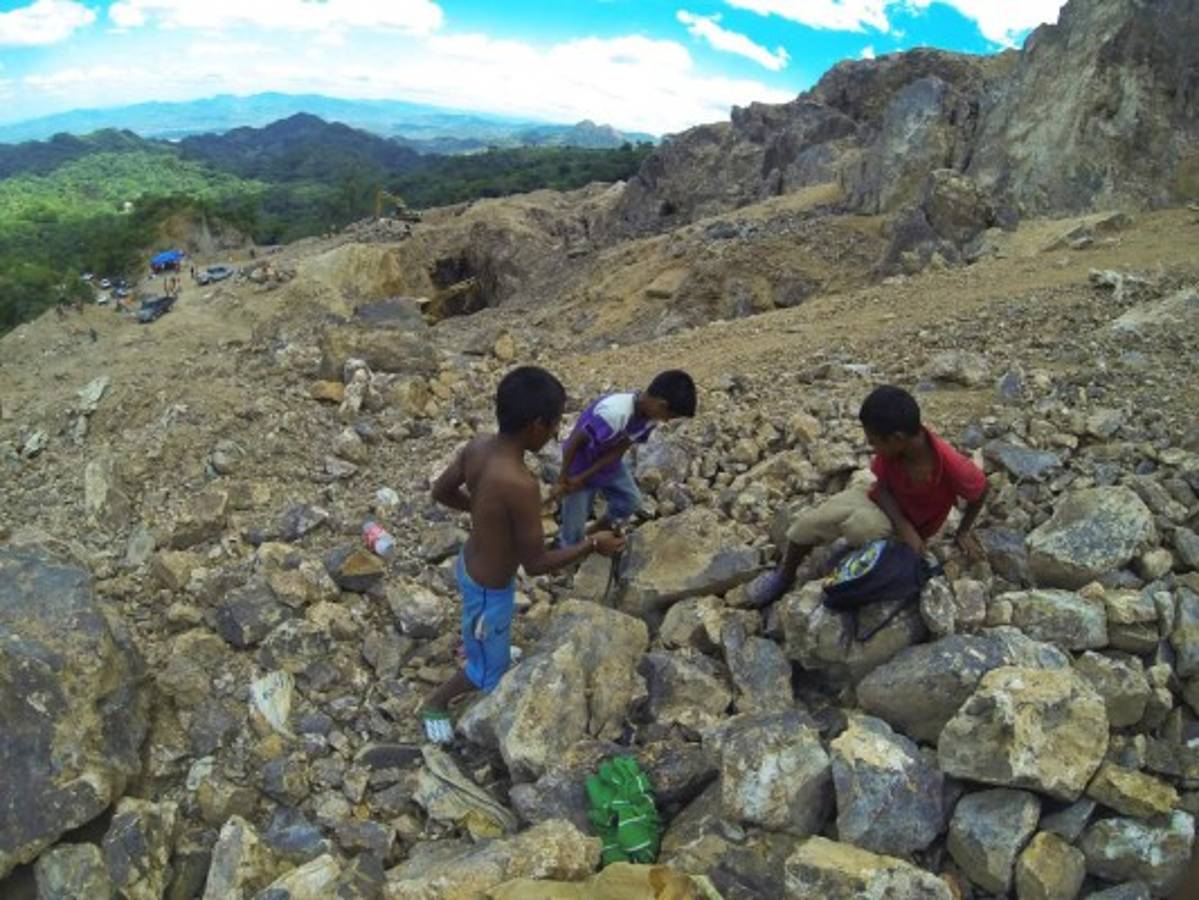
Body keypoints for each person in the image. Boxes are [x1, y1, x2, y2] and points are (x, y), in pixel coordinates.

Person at [419, 366, 625, 743]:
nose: (554, 434)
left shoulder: (478, 446)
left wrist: (483, 510)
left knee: (487, 634)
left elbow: (442, 492)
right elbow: (536, 564)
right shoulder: (520, 484)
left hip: (471, 565)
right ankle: (436, 703)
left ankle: (484, 644)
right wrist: (594, 544)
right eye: (554, 426)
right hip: (488, 590)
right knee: (487, 673)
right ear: (536, 425)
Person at [744, 384, 989, 607]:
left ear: (897, 439)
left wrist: (963, 531)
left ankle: (854, 558)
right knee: (807, 524)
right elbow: (880, 490)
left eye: (874, 442)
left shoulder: (950, 465)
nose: (872, 447)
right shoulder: (895, 450)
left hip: (915, 523)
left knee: (860, 527)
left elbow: (981, 490)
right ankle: (784, 576)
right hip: (886, 504)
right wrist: (904, 527)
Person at [555, 370, 697, 546]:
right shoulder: (614, 414)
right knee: (573, 531)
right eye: (670, 416)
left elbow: (618, 452)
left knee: (630, 501)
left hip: (605, 464)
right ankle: (567, 554)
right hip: (579, 462)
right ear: (661, 404)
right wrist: (565, 478)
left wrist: (586, 477)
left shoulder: (650, 417)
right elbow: (573, 443)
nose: (667, 421)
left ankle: (597, 530)